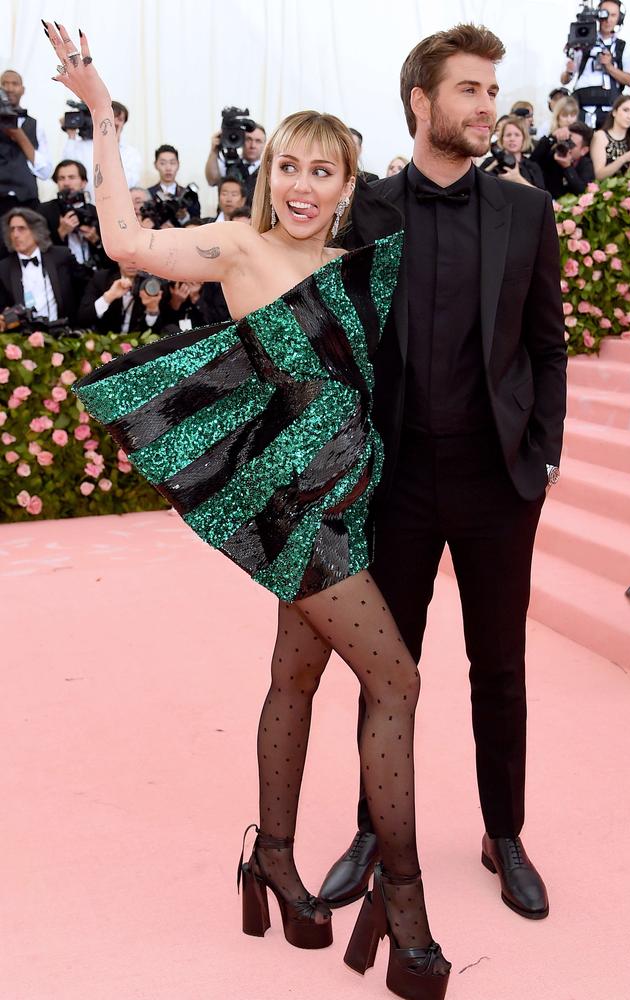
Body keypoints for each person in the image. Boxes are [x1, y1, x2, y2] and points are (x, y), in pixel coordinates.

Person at [44, 20, 451, 1000]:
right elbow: (125, 241)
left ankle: (271, 856)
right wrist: (103, 115)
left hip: (349, 505)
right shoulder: (239, 245)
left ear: (348, 182)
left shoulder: (364, 263)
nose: (305, 186)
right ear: (268, 175)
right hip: (291, 514)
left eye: (325, 170)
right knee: (394, 684)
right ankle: (404, 914)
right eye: (290, 168)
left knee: (294, 679)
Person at [317, 23, 566, 924]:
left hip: (500, 481)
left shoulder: (527, 211)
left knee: (498, 666)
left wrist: (543, 454)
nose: (486, 107)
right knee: (387, 666)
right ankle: (373, 830)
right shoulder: (369, 210)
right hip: (398, 479)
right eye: (469, 90)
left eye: (493, 92)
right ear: (422, 102)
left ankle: (505, 835)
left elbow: (548, 344)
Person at [0, 69, 53, 257]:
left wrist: (19, 136)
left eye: (14, 83)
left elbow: (46, 171)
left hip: (27, 202)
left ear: (23, 89)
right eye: (4, 83)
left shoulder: (34, 125)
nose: (9, 88)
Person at [0, 207, 84, 323]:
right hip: (24, 336)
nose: (15, 235)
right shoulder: (4, 268)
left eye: (21, 229)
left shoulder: (61, 256)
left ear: (36, 231)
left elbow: (84, 286)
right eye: (12, 230)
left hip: (63, 331)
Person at [561, 0, 630, 129]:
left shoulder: (624, 47)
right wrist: (569, 70)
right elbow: (565, 80)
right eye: (604, 14)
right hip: (582, 106)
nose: (608, 20)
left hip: (610, 107)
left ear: (619, 18)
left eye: (613, 15)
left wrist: (609, 67)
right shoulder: (582, 42)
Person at [38, 159, 110, 268]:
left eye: (71, 177)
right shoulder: (44, 210)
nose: (66, 183)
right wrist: (60, 234)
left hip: (93, 272)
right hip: (62, 273)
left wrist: (95, 239)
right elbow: (38, 249)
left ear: (83, 183)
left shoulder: (95, 211)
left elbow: (109, 257)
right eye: (61, 178)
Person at [62, 99, 142, 198]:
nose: (115, 123)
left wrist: (113, 146)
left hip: (117, 204)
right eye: (111, 117)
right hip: (87, 205)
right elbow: (66, 169)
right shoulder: (81, 146)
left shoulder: (130, 152)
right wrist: (71, 135)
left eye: (120, 119)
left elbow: (130, 183)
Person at [530, 121, 595, 199]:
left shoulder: (586, 164)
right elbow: (532, 163)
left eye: (571, 144)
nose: (566, 145)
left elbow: (582, 191)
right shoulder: (553, 156)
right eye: (566, 141)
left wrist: (568, 168)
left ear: (583, 151)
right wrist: (551, 137)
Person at [591, 94, 630, 179]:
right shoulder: (601, 136)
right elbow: (599, 175)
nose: (629, 116)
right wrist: (624, 158)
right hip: (604, 189)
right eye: (626, 110)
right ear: (614, 112)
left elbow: (629, 176)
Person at [205, 123, 266, 203]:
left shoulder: (267, 170)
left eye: (258, 141)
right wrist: (214, 151)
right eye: (248, 139)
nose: (253, 145)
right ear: (241, 141)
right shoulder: (228, 162)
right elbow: (212, 181)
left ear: (264, 144)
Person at [481, 115, 545, 188]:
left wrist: (517, 179)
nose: (512, 139)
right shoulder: (490, 162)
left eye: (517, 135)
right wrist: (491, 167)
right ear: (502, 139)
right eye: (508, 135)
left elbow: (542, 196)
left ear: (524, 139)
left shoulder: (532, 167)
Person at [147, 143, 201, 223]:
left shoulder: (188, 195)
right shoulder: (148, 194)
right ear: (156, 165)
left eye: (172, 163)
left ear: (178, 164)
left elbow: (197, 222)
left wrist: (185, 217)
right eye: (163, 163)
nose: (168, 168)